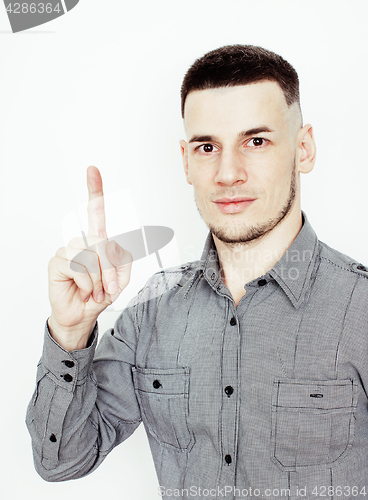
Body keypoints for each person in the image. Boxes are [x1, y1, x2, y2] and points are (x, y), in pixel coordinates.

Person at [26, 45, 368, 499]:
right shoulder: (152, 311)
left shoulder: (360, 308)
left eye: (256, 141)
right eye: (208, 147)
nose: (228, 173)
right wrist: (71, 331)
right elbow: (63, 461)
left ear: (303, 149)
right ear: (186, 161)